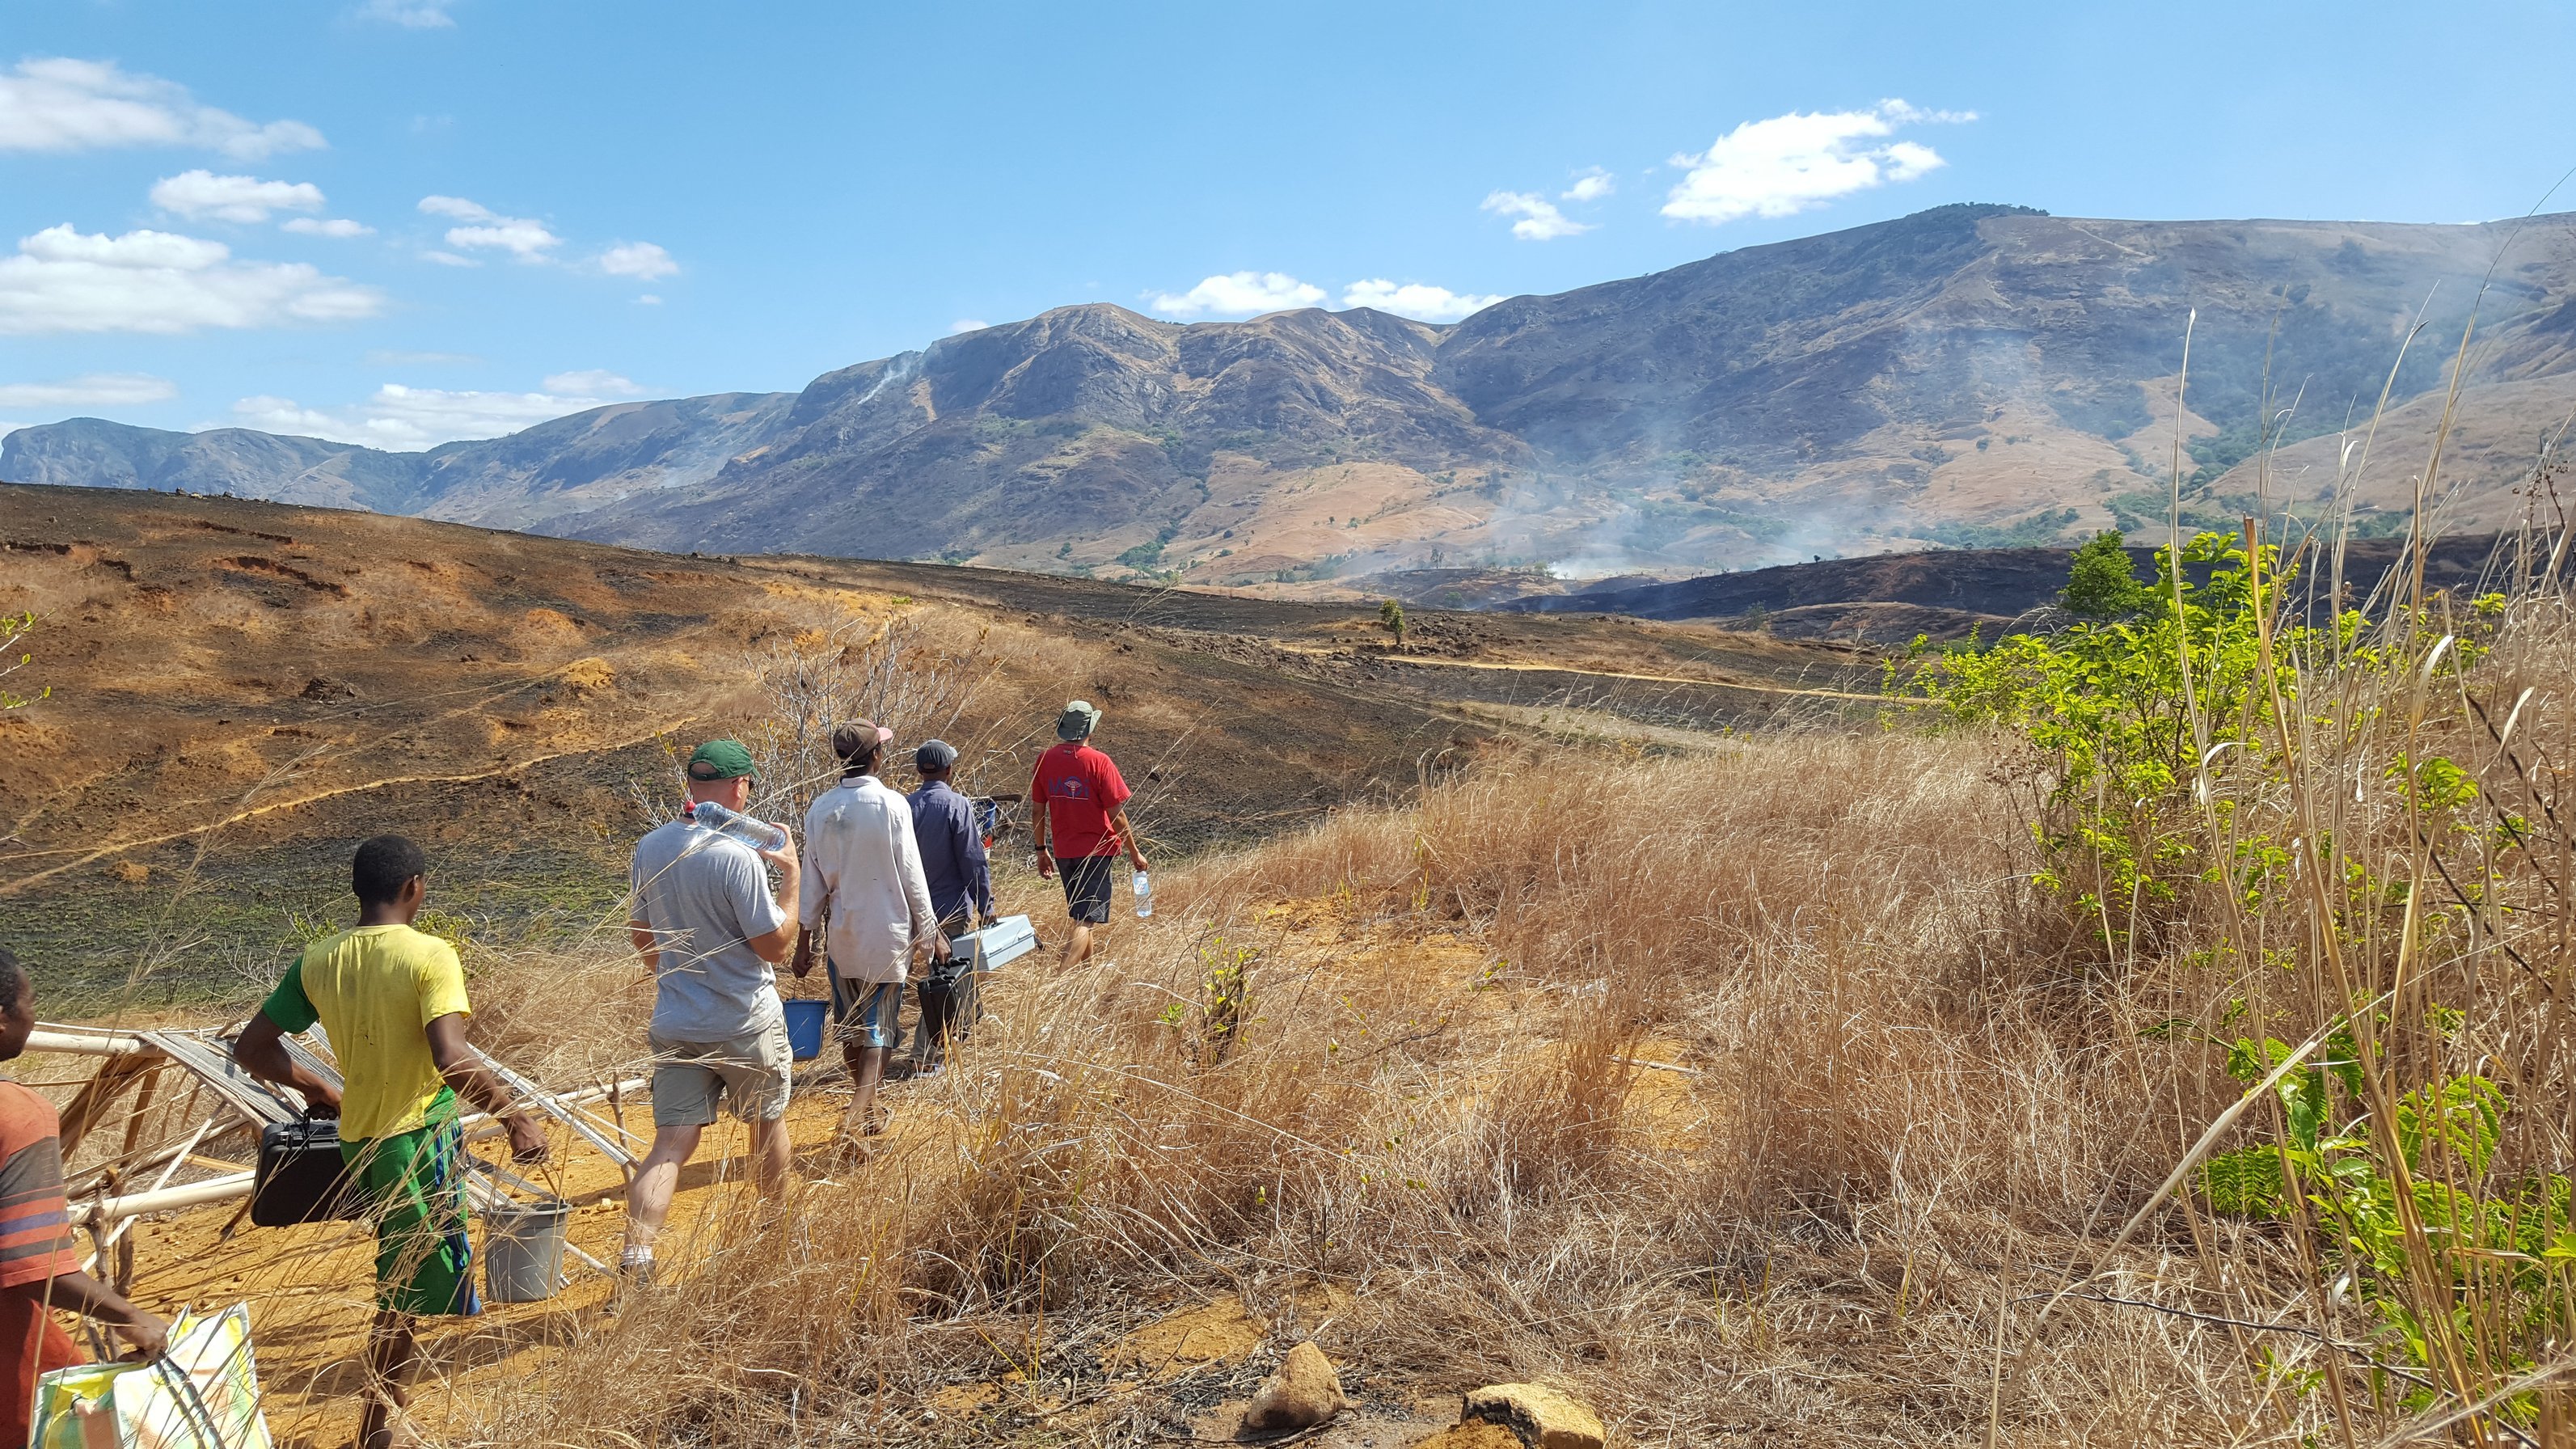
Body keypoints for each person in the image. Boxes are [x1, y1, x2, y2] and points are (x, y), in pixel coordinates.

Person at [232, 836, 547, 1449]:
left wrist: (323, 1086)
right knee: (403, 1286)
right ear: (414, 888)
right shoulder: (430, 955)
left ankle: (387, 1418)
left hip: (362, 1142)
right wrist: (515, 1117)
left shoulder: (319, 959)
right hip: (414, 1139)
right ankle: (379, 1426)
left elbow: (252, 1048)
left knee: (406, 1277)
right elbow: (451, 1057)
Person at [623, 740, 800, 1286]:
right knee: (767, 1127)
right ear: (740, 785)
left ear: (692, 784)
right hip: (744, 1021)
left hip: (677, 1021)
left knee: (671, 1144)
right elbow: (776, 948)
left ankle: (636, 1258)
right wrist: (792, 878)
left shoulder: (651, 847)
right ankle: (779, 1245)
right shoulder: (738, 856)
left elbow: (640, 934)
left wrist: (679, 977)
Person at [1, 946, 168, 1449]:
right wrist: (130, 1316)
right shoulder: (18, 1115)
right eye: (30, 1001)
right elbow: (34, 1264)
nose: (34, 1015)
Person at [793, 723, 942, 1145]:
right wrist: (930, 934)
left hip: (842, 935)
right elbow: (913, 876)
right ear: (876, 756)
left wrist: (805, 941)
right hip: (887, 933)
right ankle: (856, 1112)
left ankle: (871, 1114)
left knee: (851, 1025)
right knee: (881, 1026)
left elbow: (813, 881)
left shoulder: (821, 808)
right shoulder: (892, 805)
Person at [1030, 700, 1148, 969]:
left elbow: (1038, 811)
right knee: (1086, 919)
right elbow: (1117, 815)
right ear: (1089, 730)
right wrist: (1134, 851)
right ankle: (1061, 977)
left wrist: (1041, 850)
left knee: (1082, 915)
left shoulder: (1044, 760)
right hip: (1097, 851)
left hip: (1063, 851)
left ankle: (1087, 972)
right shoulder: (1099, 762)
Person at [906, 738, 994, 1071]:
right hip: (950, 908)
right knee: (945, 979)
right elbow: (973, 860)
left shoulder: (904, 806)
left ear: (919, 771)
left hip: (910, 909)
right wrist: (986, 903)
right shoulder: (957, 805)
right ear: (949, 770)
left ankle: (931, 1048)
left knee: (917, 979)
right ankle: (925, 1056)